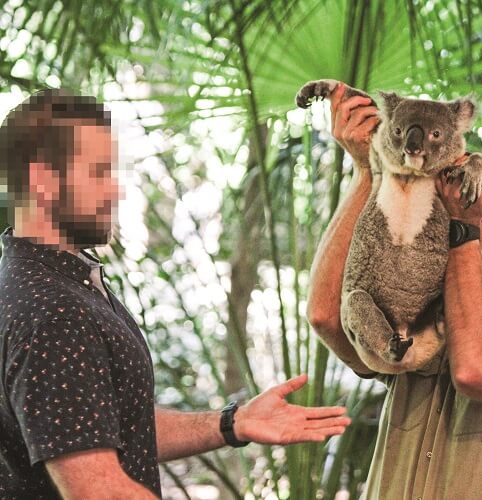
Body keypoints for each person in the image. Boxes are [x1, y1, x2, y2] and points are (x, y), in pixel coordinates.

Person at [0, 89, 351, 499]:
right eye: (97, 172)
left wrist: (232, 423)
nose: (115, 191)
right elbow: (99, 491)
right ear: (42, 181)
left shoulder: (57, 280)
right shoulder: (54, 311)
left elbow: (113, 427)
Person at [307, 83, 482, 499]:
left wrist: (464, 229)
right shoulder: (421, 322)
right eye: (466, 206)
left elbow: (479, 370)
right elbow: (326, 316)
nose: (471, 214)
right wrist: (370, 172)